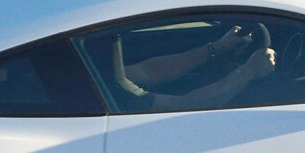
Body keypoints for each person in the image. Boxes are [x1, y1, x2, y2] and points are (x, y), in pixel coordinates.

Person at [110, 24, 276, 110]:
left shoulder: (98, 62)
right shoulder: (108, 89)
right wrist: (249, 71)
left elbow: (148, 71)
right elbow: (180, 105)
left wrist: (217, 47)